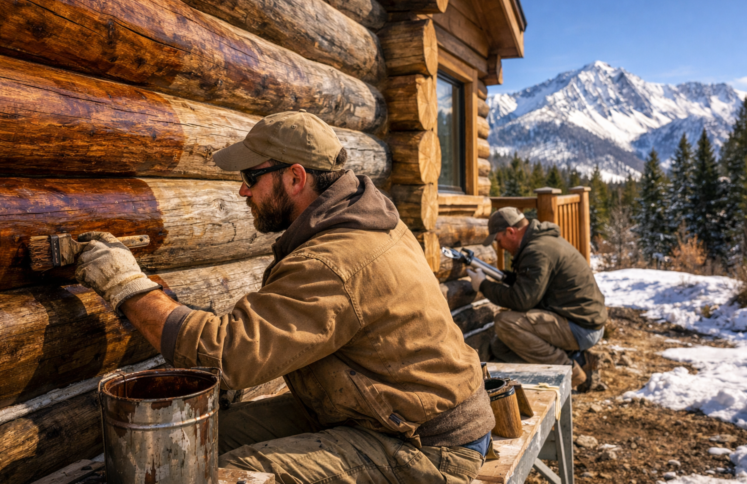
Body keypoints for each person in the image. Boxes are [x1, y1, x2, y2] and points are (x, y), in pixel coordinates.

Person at [74, 111, 495, 483]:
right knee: (198, 441)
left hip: (427, 444)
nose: (243, 192)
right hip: (380, 410)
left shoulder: (336, 259)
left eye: (250, 177)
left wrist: (126, 285)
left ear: (295, 177)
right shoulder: (361, 221)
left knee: (223, 474)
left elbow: (228, 355)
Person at [466, 207, 607, 389]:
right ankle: (578, 358)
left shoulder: (537, 250)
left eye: (499, 241)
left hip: (582, 327)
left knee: (506, 323)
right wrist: (500, 276)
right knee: (501, 348)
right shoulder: (541, 242)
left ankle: (571, 371)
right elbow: (529, 283)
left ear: (511, 231)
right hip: (580, 320)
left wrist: (483, 286)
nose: (500, 247)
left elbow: (522, 300)